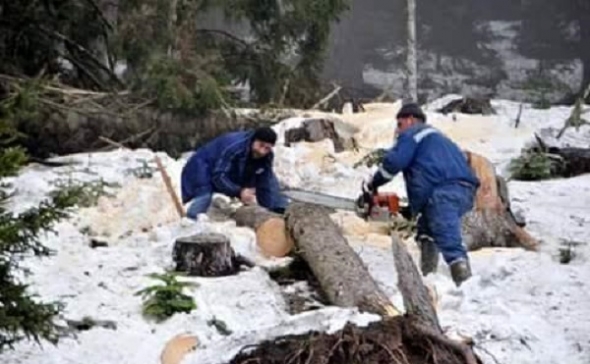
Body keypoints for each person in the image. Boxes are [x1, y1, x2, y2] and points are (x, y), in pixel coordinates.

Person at [366, 102, 480, 286]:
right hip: (460, 191)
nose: (398, 130)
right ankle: (429, 279)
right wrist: (411, 209)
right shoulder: (437, 138)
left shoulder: (414, 134)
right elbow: (428, 173)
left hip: (445, 190)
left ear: (410, 120)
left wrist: (374, 183)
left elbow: (395, 163)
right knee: (426, 230)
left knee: (445, 229)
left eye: (400, 124)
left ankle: (465, 282)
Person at [181, 127, 287, 220]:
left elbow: (265, 183)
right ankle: (190, 224)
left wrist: (269, 210)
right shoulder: (234, 147)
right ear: (254, 140)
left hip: (230, 169)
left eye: (267, 148)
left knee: (271, 183)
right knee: (204, 195)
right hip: (203, 166)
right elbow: (219, 176)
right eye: (261, 145)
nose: (262, 151)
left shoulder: (266, 157)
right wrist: (239, 191)